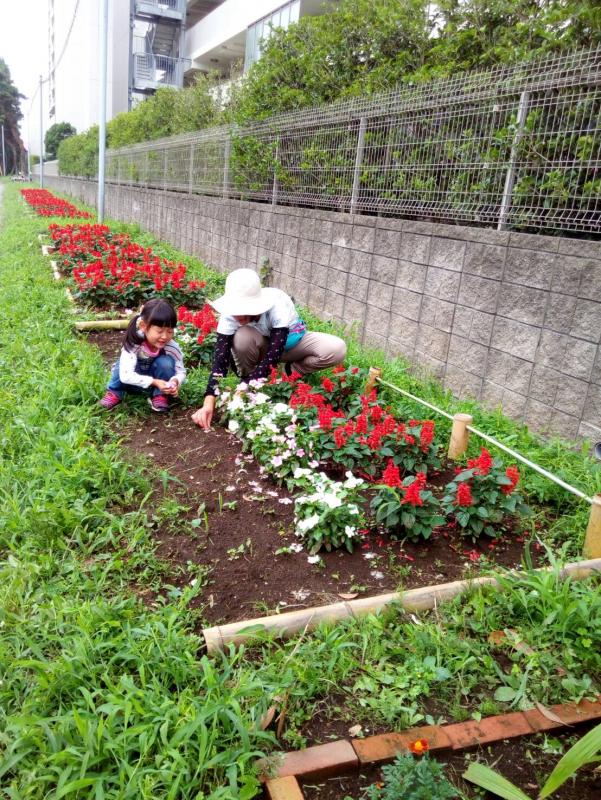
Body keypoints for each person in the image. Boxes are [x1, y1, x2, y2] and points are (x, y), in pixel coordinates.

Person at [191, 268, 346, 430]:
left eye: (243, 309)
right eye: (235, 308)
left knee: (336, 349)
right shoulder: (229, 315)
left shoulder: (277, 304)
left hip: (291, 343)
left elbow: (274, 354)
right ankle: (251, 382)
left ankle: (289, 372)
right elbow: (220, 361)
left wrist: (246, 386)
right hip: (261, 345)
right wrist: (208, 402)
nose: (237, 315)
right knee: (242, 336)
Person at [99, 298, 186, 413]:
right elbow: (125, 376)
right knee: (122, 364)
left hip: (155, 386)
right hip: (129, 383)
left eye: (170, 331)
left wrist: (174, 382)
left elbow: (181, 371)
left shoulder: (171, 347)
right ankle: (115, 392)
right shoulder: (134, 343)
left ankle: (159, 396)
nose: (164, 336)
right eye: (159, 331)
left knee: (166, 362)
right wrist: (154, 382)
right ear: (143, 326)